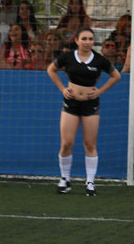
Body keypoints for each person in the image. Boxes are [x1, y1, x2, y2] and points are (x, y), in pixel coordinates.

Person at [46, 26, 121, 196]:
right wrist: (62, 89)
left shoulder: (99, 60)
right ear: (77, 40)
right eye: (84, 39)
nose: (87, 42)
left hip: (90, 104)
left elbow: (116, 76)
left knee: (89, 143)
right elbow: (51, 70)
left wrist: (99, 91)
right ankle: (65, 179)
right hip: (70, 103)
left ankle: (90, 182)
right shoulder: (68, 57)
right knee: (67, 143)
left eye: (90, 39)